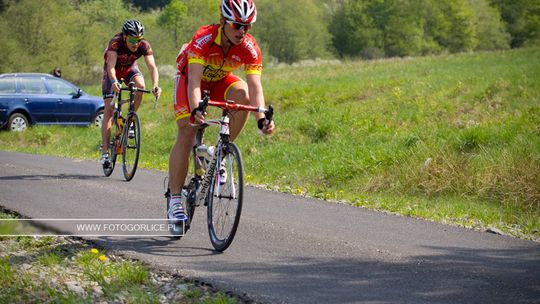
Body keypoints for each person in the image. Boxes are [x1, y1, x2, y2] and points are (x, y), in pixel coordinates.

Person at [167, 0, 275, 222]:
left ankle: (220, 153)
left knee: (243, 95)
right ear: (223, 21)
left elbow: (255, 87)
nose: (242, 31)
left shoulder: (249, 47)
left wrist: (262, 118)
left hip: (219, 80)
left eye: (247, 26)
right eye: (237, 25)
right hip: (190, 79)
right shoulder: (204, 38)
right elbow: (194, 82)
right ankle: (175, 200)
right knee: (187, 131)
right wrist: (196, 108)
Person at [100, 19, 162, 167]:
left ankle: (130, 118)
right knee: (109, 111)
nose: (136, 43)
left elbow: (152, 67)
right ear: (125, 37)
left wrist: (155, 86)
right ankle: (105, 152)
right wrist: (114, 81)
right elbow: (110, 67)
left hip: (129, 69)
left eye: (138, 40)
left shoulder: (144, 46)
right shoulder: (116, 42)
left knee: (141, 86)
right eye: (132, 40)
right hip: (113, 72)